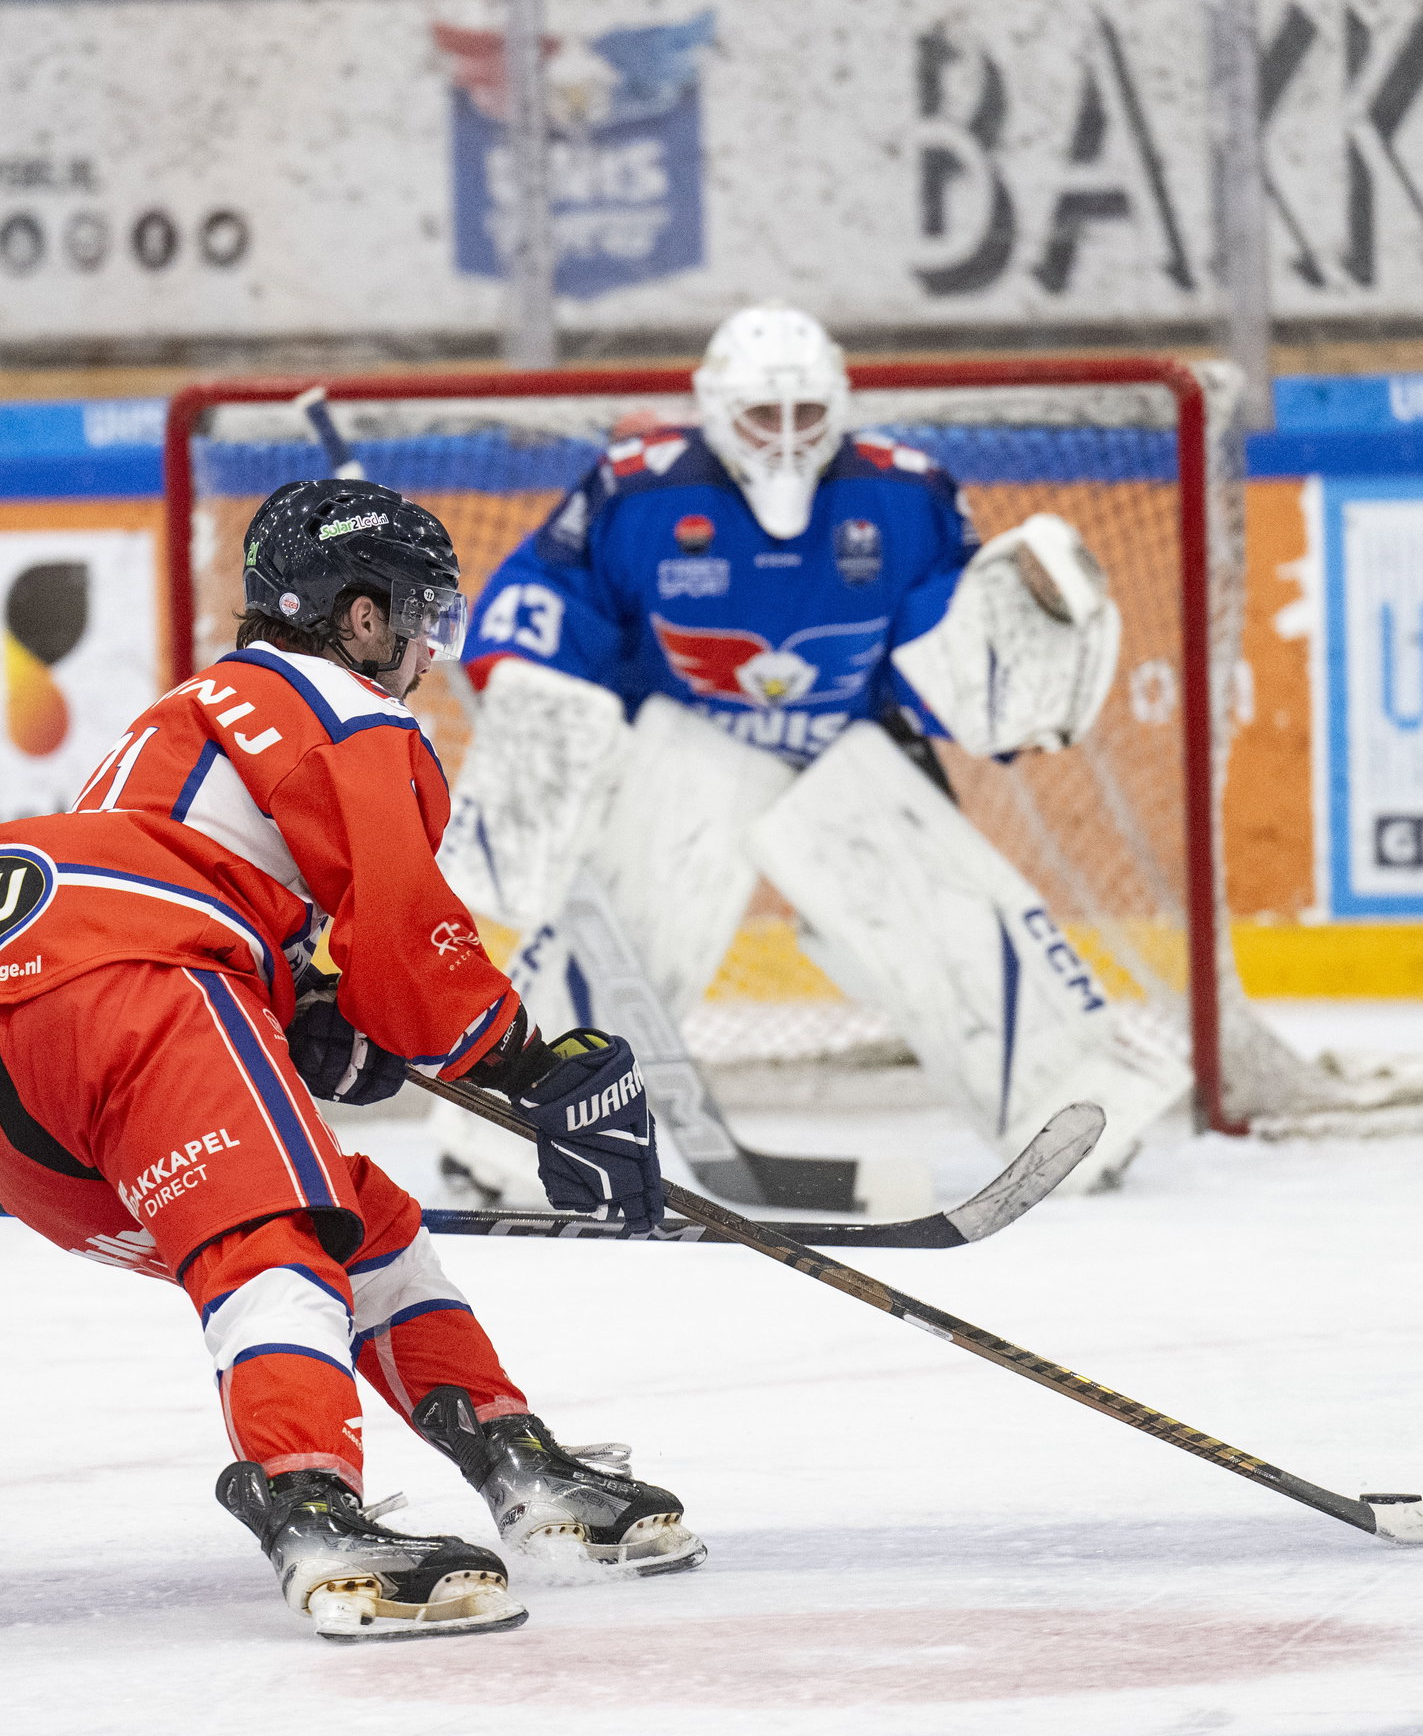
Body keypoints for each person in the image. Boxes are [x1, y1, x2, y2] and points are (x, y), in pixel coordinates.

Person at [0, 477, 702, 1643]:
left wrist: (308, 1013)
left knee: (353, 1215)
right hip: (141, 988)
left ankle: (515, 1459)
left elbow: (181, 904)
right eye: (417, 615)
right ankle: (312, 1502)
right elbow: (401, 940)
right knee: (274, 1229)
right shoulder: (341, 706)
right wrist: (533, 1066)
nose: (427, 648)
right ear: (358, 614)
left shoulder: (182, 720)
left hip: (1, 1065)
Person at [435, 301, 1182, 1207]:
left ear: (841, 406)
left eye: (806, 415)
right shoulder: (639, 488)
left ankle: (1076, 1110)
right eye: (762, 416)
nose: (785, 438)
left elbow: (941, 651)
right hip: (692, 751)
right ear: (714, 407)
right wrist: (524, 684)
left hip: (850, 756)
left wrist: (1009, 647)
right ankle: (503, 1142)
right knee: (626, 930)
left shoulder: (908, 493)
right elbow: (549, 601)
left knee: (946, 917)